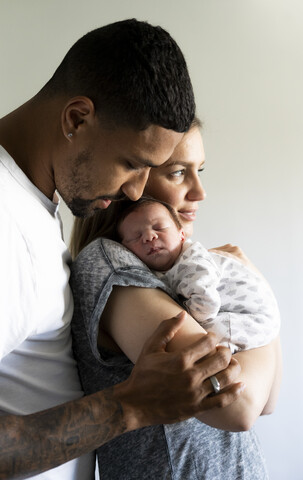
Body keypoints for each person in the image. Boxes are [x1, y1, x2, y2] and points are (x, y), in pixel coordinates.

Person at [0, 20, 244, 480]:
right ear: (77, 118)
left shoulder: (29, 202)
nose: (136, 192)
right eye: (131, 164)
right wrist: (130, 406)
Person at [70, 121, 282, 479]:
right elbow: (238, 406)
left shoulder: (174, 270)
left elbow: (269, 400)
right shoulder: (110, 262)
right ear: (132, 176)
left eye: (199, 171)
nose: (199, 192)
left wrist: (255, 296)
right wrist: (261, 292)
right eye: (178, 172)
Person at [115, 196, 281, 354]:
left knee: (204, 338)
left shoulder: (192, 263)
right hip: (242, 316)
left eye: (159, 228)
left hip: (254, 317)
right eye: (136, 236)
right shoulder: (157, 269)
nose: (149, 237)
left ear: (181, 234)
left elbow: (207, 303)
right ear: (125, 249)